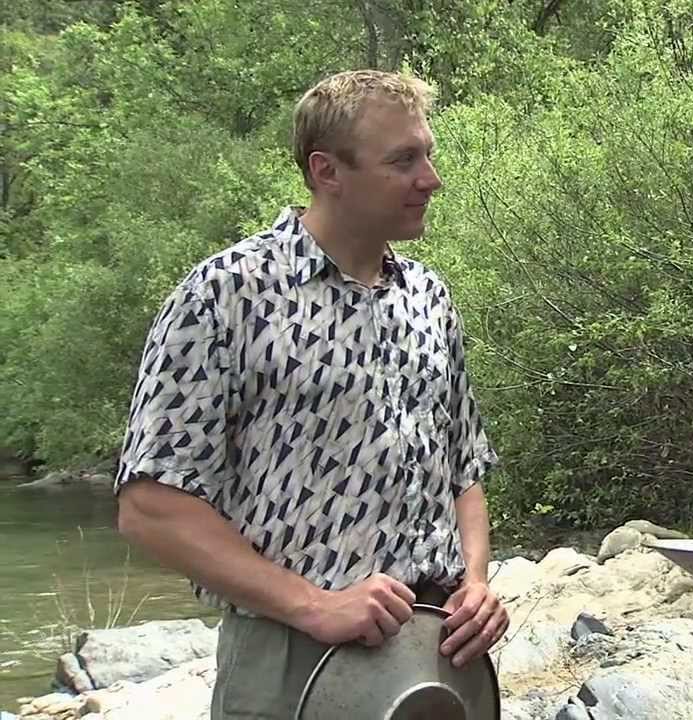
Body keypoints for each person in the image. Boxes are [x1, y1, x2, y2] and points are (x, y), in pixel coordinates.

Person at [113, 69, 508, 718]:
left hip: (440, 657)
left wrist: (475, 583)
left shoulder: (429, 298)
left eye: (428, 154)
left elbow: (463, 472)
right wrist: (316, 606)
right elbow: (151, 506)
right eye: (403, 160)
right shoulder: (227, 293)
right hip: (290, 659)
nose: (431, 178)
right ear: (328, 172)